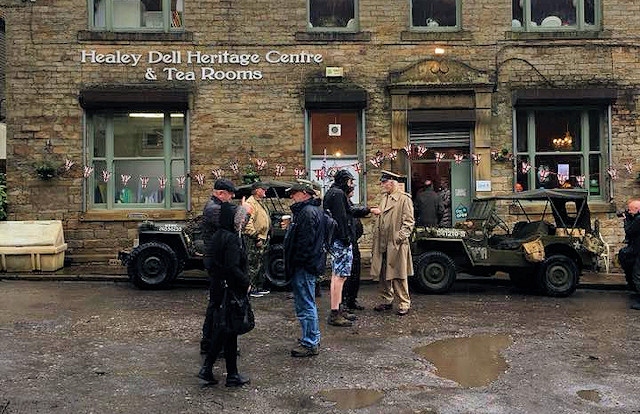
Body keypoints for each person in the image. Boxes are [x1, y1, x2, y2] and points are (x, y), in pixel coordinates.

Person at [198, 202, 251, 387]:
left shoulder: (218, 236)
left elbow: (211, 261)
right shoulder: (231, 239)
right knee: (228, 329)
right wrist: (246, 283)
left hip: (220, 286)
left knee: (227, 331)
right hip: (231, 289)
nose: (244, 221)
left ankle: (229, 373)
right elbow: (232, 266)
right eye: (242, 218)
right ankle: (213, 370)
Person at [200, 178, 252, 355]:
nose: (231, 198)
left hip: (219, 260)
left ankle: (213, 341)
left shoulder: (216, 206)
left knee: (218, 302)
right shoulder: (213, 208)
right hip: (218, 262)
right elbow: (238, 224)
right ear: (221, 193)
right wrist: (245, 210)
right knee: (217, 303)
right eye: (230, 195)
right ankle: (211, 343)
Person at [323, 170, 380, 326]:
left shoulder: (335, 193)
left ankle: (339, 309)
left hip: (338, 240)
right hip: (341, 241)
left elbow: (350, 211)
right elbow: (342, 218)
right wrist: (346, 239)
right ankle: (335, 313)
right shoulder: (338, 194)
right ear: (343, 181)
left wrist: (369, 209)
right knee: (339, 277)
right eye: (350, 181)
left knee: (339, 276)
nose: (352, 184)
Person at [283, 182, 325, 357]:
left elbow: (305, 244)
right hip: (306, 265)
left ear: (305, 194)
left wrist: (297, 263)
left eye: (294, 193)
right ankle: (310, 337)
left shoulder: (307, 213)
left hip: (304, 266)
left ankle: (310, 342)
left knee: (306, 304)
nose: (292, 196)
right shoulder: (308, 211)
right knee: (305, 302)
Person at [370, 170, 415, 316]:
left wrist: (399, 237)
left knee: (398, 274)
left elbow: (409, 222)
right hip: (383, 242)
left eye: (384, 182)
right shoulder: (384, 198)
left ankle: (404, 303)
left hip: (396, 244)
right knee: (383, 273)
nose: (382, 185)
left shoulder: (404, 199)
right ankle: (386, 300)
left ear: (392, 182)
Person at [342, 187, 379, 311]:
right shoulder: (344, 205)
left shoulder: (350, 203)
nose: (353, 191)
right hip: (348, 243)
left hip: (354, 242)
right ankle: (345, 301)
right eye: (351, 189)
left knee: (355, 273)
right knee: (348, 274)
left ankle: (352, 299)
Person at [243, 181, 272, 298]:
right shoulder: (250, 203)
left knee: (259, 264)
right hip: (253, 239)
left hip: (262, 237)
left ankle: (257, 287)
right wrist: (256, 237)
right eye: (263, 189)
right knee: (252, 265)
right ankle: (250, 288)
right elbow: (248, 224)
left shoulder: (259, 203)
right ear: (256, 191)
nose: (265, 191)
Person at [618, 198, 640, 310]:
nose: (629, 212)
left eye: (631, 210)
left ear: (637, 209)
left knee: (637, 275)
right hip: (636, 249)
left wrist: (626, 220)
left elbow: (629, 231)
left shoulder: (638, 219)